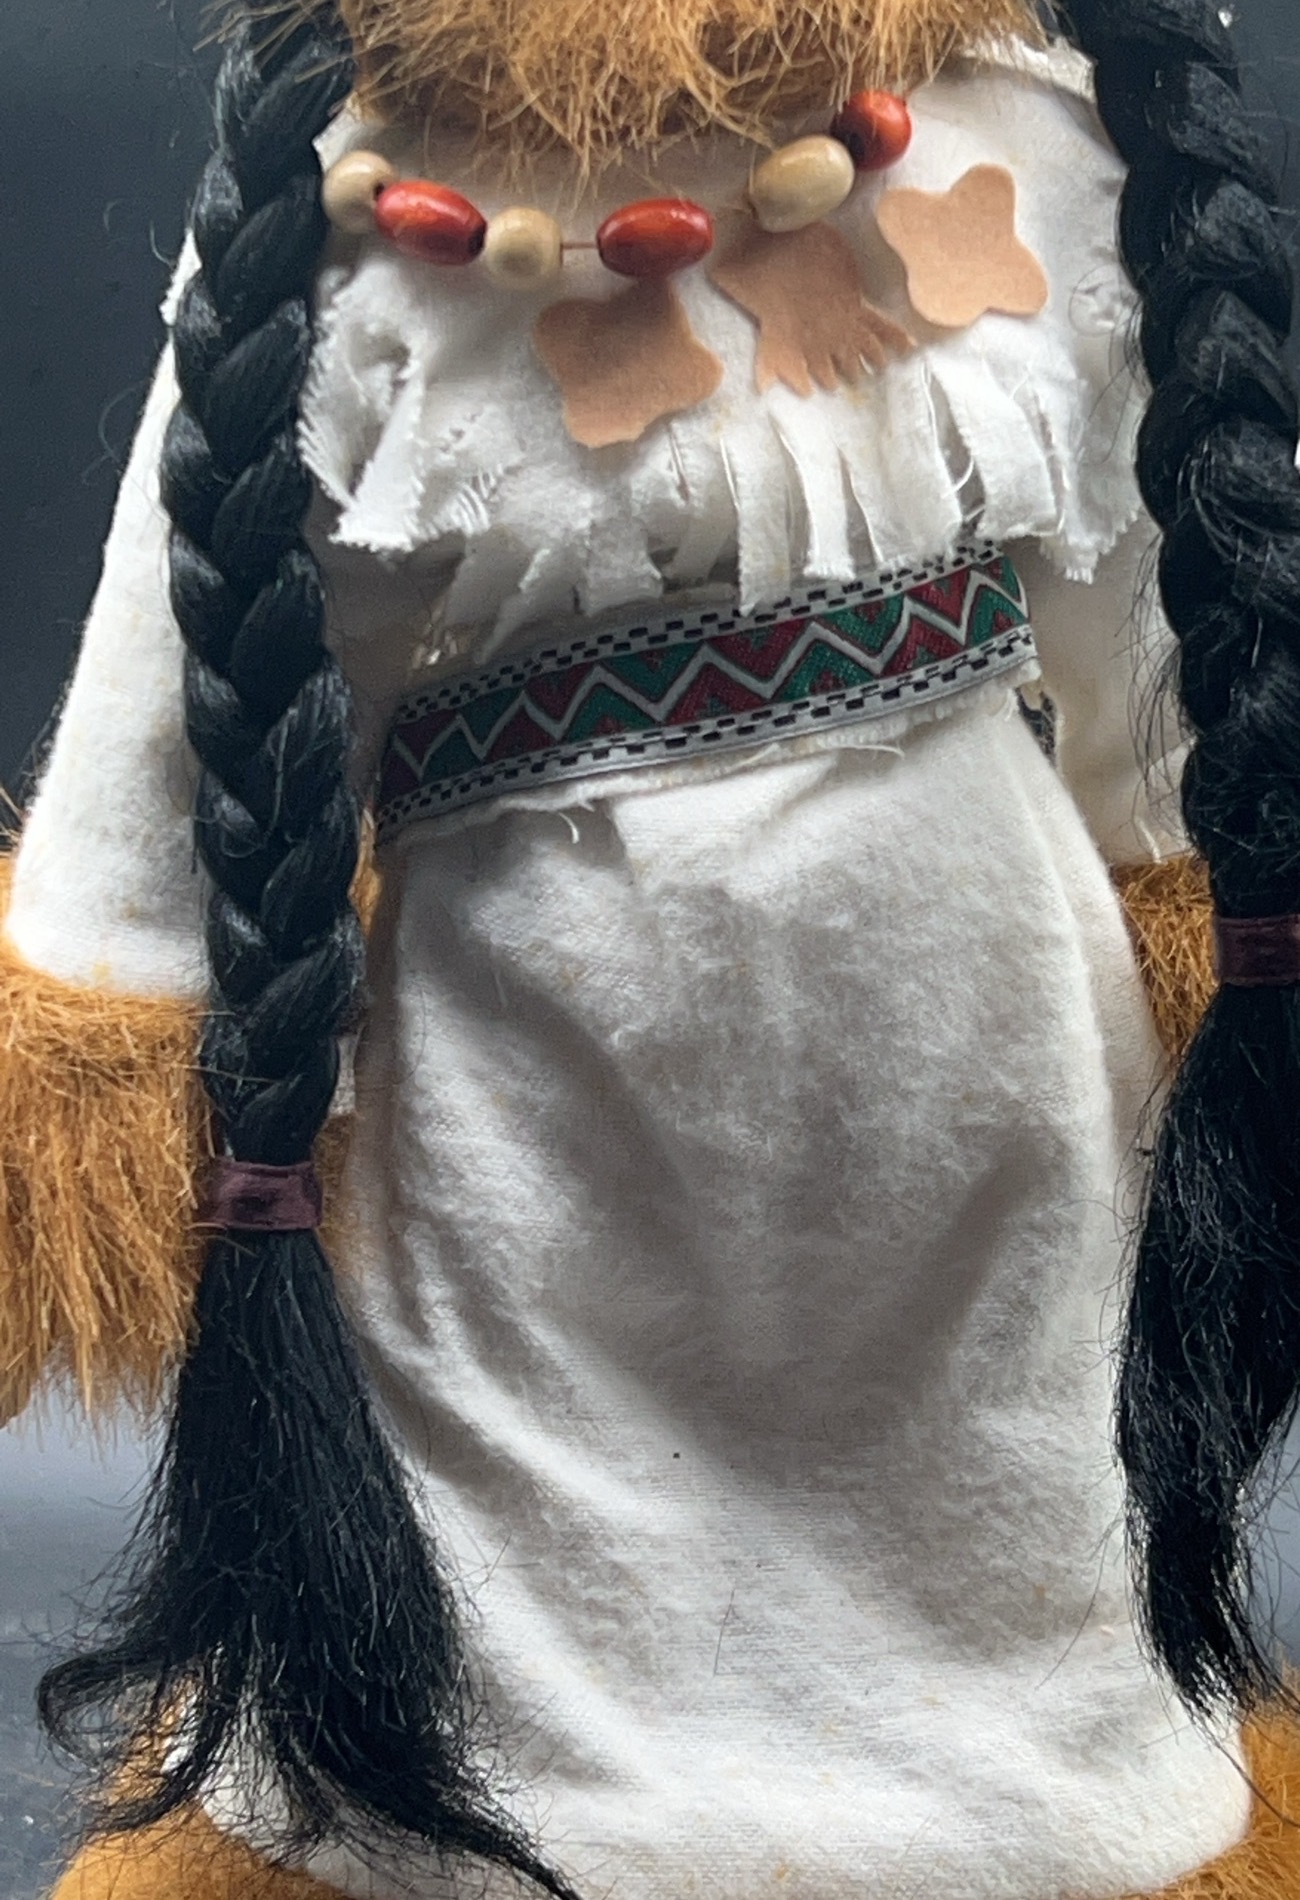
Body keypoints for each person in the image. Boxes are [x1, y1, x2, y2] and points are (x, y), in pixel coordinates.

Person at [4, 0, 1300, 1895]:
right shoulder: (358, 203)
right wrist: (112, 1011)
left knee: (999, 1493)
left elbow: (1138, 581)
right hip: (528, 1063)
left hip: (982, 1039)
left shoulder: (1022, 133)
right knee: (507, 1522)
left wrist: (1192, 869)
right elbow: (188, 677)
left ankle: (1027, 1818)